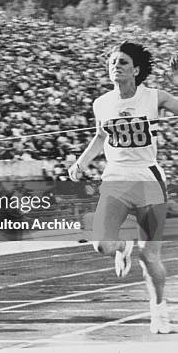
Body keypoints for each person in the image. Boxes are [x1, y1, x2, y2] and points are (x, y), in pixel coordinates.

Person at [68, 42, 178, 334]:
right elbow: (100, 138)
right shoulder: (101, 103)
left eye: (123, 62)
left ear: (137, 70)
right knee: (102, 245)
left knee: (150, 256)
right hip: (116, 178)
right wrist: (80, 164)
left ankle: (159, 312)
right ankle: (123, 245)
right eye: (113, 62)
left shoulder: (154, 96)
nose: (116, 66)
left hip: (148, 179)